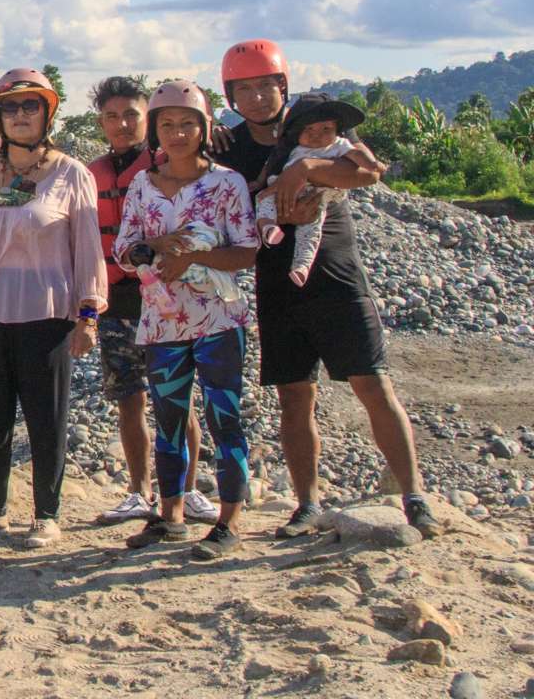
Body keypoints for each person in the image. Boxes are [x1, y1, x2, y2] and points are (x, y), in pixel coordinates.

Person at [215, 40, 442, 539]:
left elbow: (366, 173)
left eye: (266, 85)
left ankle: (415, 497)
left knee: (373, 384)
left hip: (338, 276)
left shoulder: (316, 119)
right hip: (277, 284)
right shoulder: (229, 146)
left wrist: (307, 168)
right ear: (230, 95)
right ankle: (307, 504)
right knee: (295, 396)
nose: (257, 97)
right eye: (244, 89)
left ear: (284, 85)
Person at [0, 68, 106, 548]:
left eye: (30, 105)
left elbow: (88, 250)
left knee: (46, 418)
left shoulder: (71, 174)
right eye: (9, 108)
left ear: (47, 113)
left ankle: (46, 514)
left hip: (45, 315)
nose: (19, 115)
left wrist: (88, 315)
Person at [111, 81, 258, 559]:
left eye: (188, 123)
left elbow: (247, 251)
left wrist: (193, 257)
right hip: (162, 324)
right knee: (169, 419)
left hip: (218, 321)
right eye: (168, 124)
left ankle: (229, 521)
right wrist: (154, 247)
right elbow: (124, 251)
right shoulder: (142, 184)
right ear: (155, 130)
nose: (178, 133)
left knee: (223, 417)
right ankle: (171, 515)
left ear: (205, 127)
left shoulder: (227, 184)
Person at [86, 77, 219, 527]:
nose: (122, 124)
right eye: (111, 116)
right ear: (101, 123)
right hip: (116, 302)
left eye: (131, 115)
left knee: (177, 399)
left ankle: (187, 490)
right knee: (129, 400)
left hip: (167, 301)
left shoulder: (171, 167)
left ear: (148, 119)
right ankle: (139, 492)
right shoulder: (93, 173)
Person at [254, 95, 387, 286]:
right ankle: (269, 227)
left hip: (316, 194)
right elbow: (272, 168)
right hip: (283, 190)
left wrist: (373, 164)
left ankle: (302, 265)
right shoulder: (293, 148)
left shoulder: (339, 145)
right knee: (264, 203)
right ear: (297, 131)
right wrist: (262, 184)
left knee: (311, 228)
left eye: (326, 129)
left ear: (337, 131)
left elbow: (360, 160)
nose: (316, 135)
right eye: (309, 129)